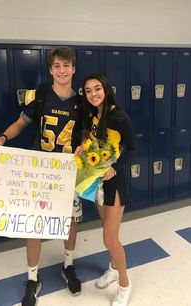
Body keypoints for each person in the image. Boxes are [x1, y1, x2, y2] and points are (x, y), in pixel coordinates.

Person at [0, 46, 83, 306]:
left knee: (70, 221)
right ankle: (32, 278)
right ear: (50, 70)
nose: (62, 71)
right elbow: (21, 123)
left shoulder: (81, 102)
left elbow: (86, 137)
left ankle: (69, 265)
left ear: (73, 68)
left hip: (67, 173)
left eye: (66, 65)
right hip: (40, 171)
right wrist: (3, 138)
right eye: (57, 66)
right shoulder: (40, 96)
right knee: (34, 225)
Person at [80, 73, 136, 306]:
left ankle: (124, 283)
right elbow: (92, 141)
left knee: (109, 238)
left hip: (114, 183)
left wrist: (114, 167)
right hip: (97, 181)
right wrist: (82, 148)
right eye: (88, 90)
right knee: (107, 229)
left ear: (105, 89)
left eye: (97, 89)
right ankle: (113, 268)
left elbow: (132, 148)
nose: (93, 94)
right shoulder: (94, 114)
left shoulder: (118, 116)